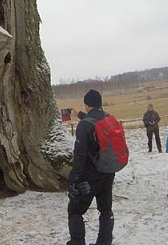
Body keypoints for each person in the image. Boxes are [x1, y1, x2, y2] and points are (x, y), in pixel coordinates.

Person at [66, 89, 115, 245]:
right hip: (108, 171)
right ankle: (105, 241)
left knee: (75, 210)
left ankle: (77, 242)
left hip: (89, 176)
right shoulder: (108, 118)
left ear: (87, 104)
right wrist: (78, 113)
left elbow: (79, 156)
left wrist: (73, 179)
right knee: (105, 209)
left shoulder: (83, 126)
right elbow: (93, 119)